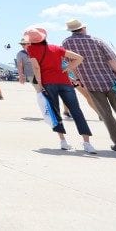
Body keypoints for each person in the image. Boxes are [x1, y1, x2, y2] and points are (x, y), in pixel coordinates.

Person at [61, 19, 116, 154]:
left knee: (106, 115)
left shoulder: (66, 43)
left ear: (71, 30)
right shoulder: (97, 41)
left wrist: (79, 78)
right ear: (84, 28)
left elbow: (71, 64)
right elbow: (113, 62)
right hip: (111, 82)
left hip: (91, 84)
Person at [23, 26, 96, 154]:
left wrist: (39, 85)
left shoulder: (31, 49)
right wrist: (68, 68)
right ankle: (87, 143)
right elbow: (79, 58)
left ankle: (63, 141)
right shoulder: (55, 48)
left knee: (54, 112)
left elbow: (36, 68)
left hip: (48, 83)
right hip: (65, 82)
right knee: (76, 111)